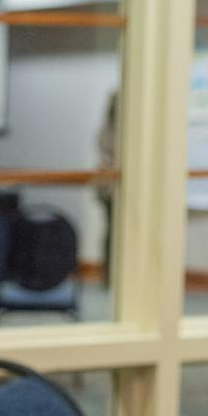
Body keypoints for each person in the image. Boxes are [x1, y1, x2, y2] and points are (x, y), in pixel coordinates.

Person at [95, 90, 118, 288]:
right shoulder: (108, 130)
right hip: (109, 190)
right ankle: (109, 276)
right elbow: (107, 159)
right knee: (113, 233)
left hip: (117, 190)